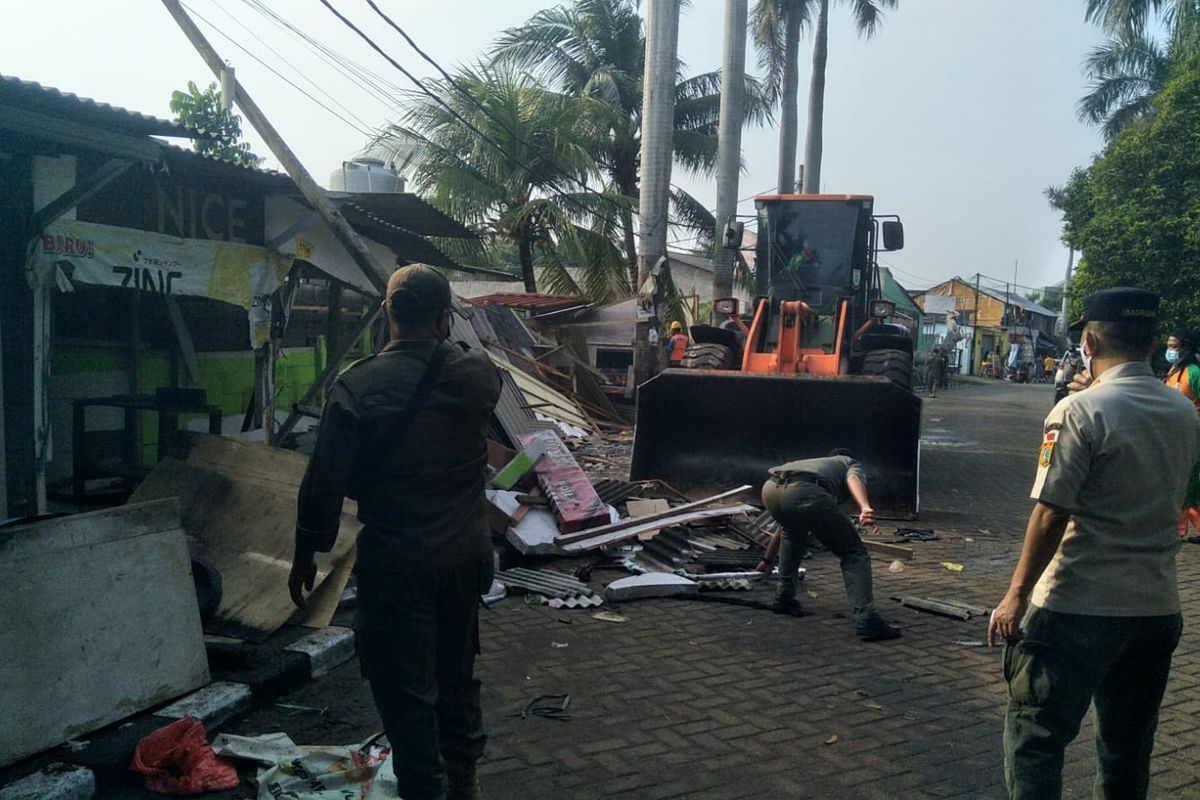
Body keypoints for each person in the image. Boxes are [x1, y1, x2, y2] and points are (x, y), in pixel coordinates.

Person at [289, 265, 502, 800]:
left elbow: (323, 488)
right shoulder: (479, 374)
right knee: (457, 676)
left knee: (406, 692)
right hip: (464, 559)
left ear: (387, 314)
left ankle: (423, 789)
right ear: (443, 317)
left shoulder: (357, 387)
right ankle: (464, 784)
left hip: (396, 566)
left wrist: (305, 554)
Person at [987, 287, 1198, 799]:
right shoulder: (1185, 413)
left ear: (1088, 339)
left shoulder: (1078, 412)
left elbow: (1053, 509)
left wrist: (1015, 595)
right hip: (1154, 608)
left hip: (1078, 605)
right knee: (1126, 749)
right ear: (1152, 343)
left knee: (1036, 740)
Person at [758, 449, 902, 641]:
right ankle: (866, 620)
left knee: (793, 534)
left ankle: (783, 598)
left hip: (770, 489)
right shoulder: (848, 462)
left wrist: (767, 560)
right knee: (854, 552)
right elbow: (854, 478)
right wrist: (864, 506)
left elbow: (781, 529)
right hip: (806, 492)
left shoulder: (812, 463)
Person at [1164, 328, 1200, 541]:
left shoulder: (1194, 373)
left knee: (1187, 482)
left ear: (1186, 349)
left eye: (1174, 347)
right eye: (1168, 346)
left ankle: (1179, 529)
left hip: (1193, 434)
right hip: (1176, 435)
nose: (1170, 350)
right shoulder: (1173, 371)